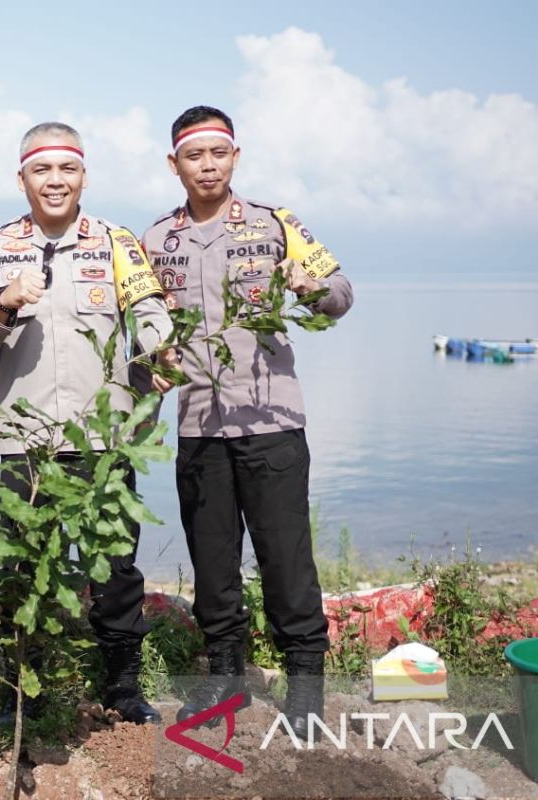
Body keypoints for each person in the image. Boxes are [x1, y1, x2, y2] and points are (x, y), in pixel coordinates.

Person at [142, 106, 354, 735]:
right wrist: (148, 364)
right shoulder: (155, 241)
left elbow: (339, 293)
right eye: (193, 155)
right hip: (198, 427)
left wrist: (309, 287)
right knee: (213, 566)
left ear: (236, 156)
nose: (206, 166)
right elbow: (142, 330)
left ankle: (306, 691)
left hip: (273, 421)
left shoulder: (276, 225)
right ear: (173, 163)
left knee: (287, 560)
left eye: (218, 154)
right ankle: (223, 683)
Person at [0, 122, 173, 725]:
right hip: (26, 443)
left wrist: (160, 350)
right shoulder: (0, 247)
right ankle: (21, 688)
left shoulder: (116, 243)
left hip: (104, 439)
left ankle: (122, 685)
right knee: (25, 565)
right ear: (22, 178)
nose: (55, 182)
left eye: (67, 170)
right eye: (41, 171)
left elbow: (150, 311)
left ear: (83, 174)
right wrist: (5, 299)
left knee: (116, 568)